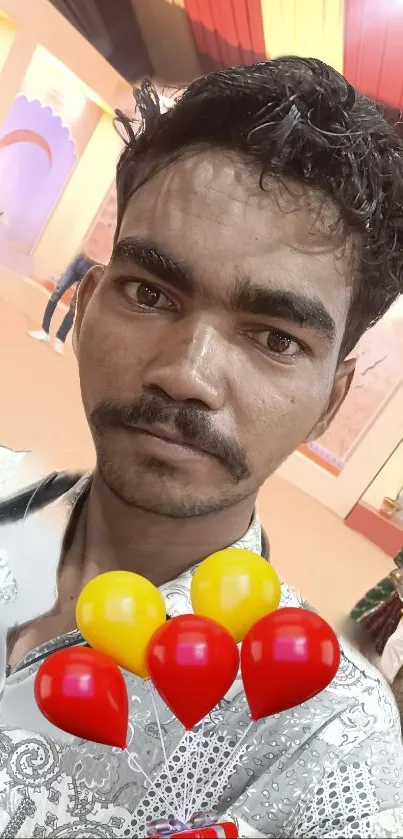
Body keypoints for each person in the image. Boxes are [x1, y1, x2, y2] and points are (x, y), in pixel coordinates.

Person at [1, 58, 403, 838]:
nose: (186, 375)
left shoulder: (325, 746)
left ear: (331, 400)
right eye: (151, 293)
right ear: (86, 308)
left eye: (272, 338)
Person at [28, 251, 96, 354]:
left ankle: (60, 339)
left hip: (93, 268)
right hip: (80, 259)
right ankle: (44, 331)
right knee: (57, 292)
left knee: (75, 306)